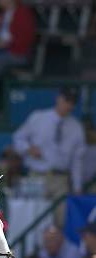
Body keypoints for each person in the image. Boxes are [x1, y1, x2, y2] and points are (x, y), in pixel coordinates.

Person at [12, 88, 86, 225]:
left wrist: (77, 187)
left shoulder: (76, 127)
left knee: (61, 220)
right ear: (59, 98)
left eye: (72, 102)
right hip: (37, 176)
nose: (68, 105)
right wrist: (28, 149)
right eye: (67, 100)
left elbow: (77, 161)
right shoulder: (38, 117)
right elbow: (18, 139)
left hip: (61, 179)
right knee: (34, 218)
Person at [0, 0, 36, 111]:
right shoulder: (3, 14)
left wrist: (5, 44)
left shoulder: (23, 13)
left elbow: (26, 39)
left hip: (17, 54)